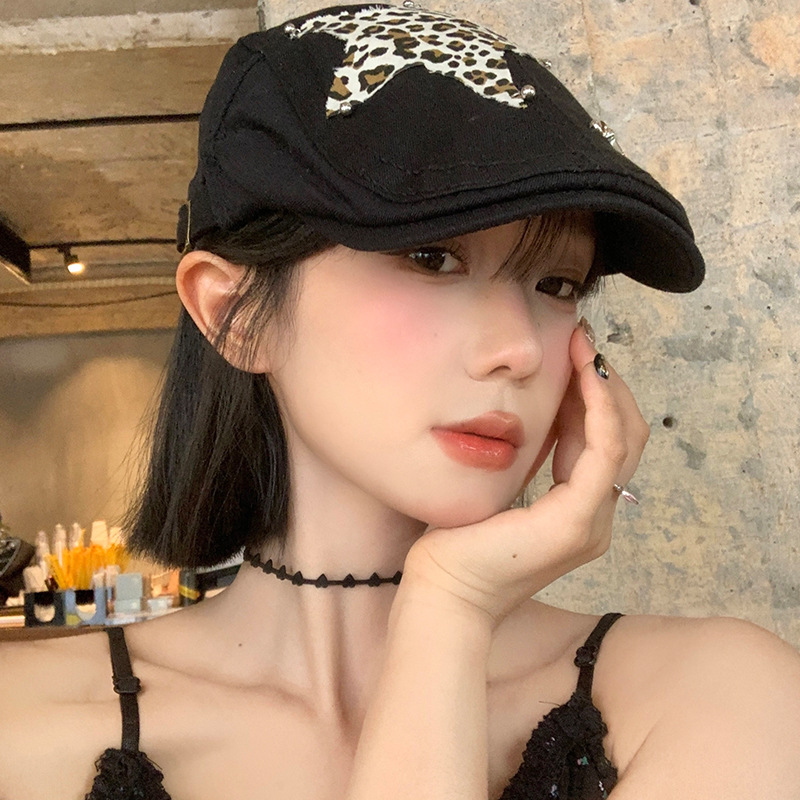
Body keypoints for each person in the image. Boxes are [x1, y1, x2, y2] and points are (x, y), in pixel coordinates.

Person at [2, 4, 799, 799]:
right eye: (431, 257)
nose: (520, 349)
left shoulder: (718, 700)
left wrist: (450, 610)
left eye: (558, 284)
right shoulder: (20, 726)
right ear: (235, 314)